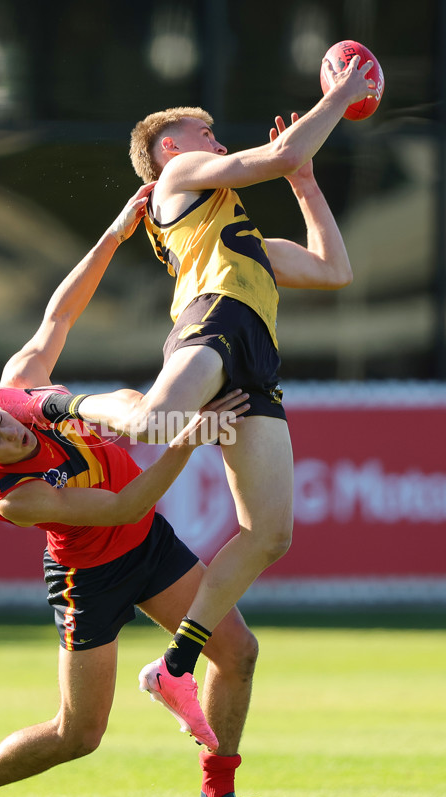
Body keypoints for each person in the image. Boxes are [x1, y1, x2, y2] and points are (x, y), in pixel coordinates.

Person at [0, 185, 287, 797]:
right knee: (78, 736)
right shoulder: (14, 497)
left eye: (0, 422)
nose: (9, 437)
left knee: (238, 651)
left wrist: (113, 234)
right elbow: (123, 504)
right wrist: (188, 438)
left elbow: (59, 317)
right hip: (93, 575)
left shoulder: (19, 392)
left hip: (148, 547)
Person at [39, 55, 377, 738]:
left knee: (270, 534)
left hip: (254, 357)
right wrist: (341, 94)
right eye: (207, 134)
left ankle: (175, 663)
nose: (218, 145)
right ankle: (60, 410)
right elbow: (280, 150)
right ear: (170, 149)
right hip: (211, 323)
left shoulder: (240, 232)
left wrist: (306, 181)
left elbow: (333, 269)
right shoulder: (178, 177)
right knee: (159, 422)